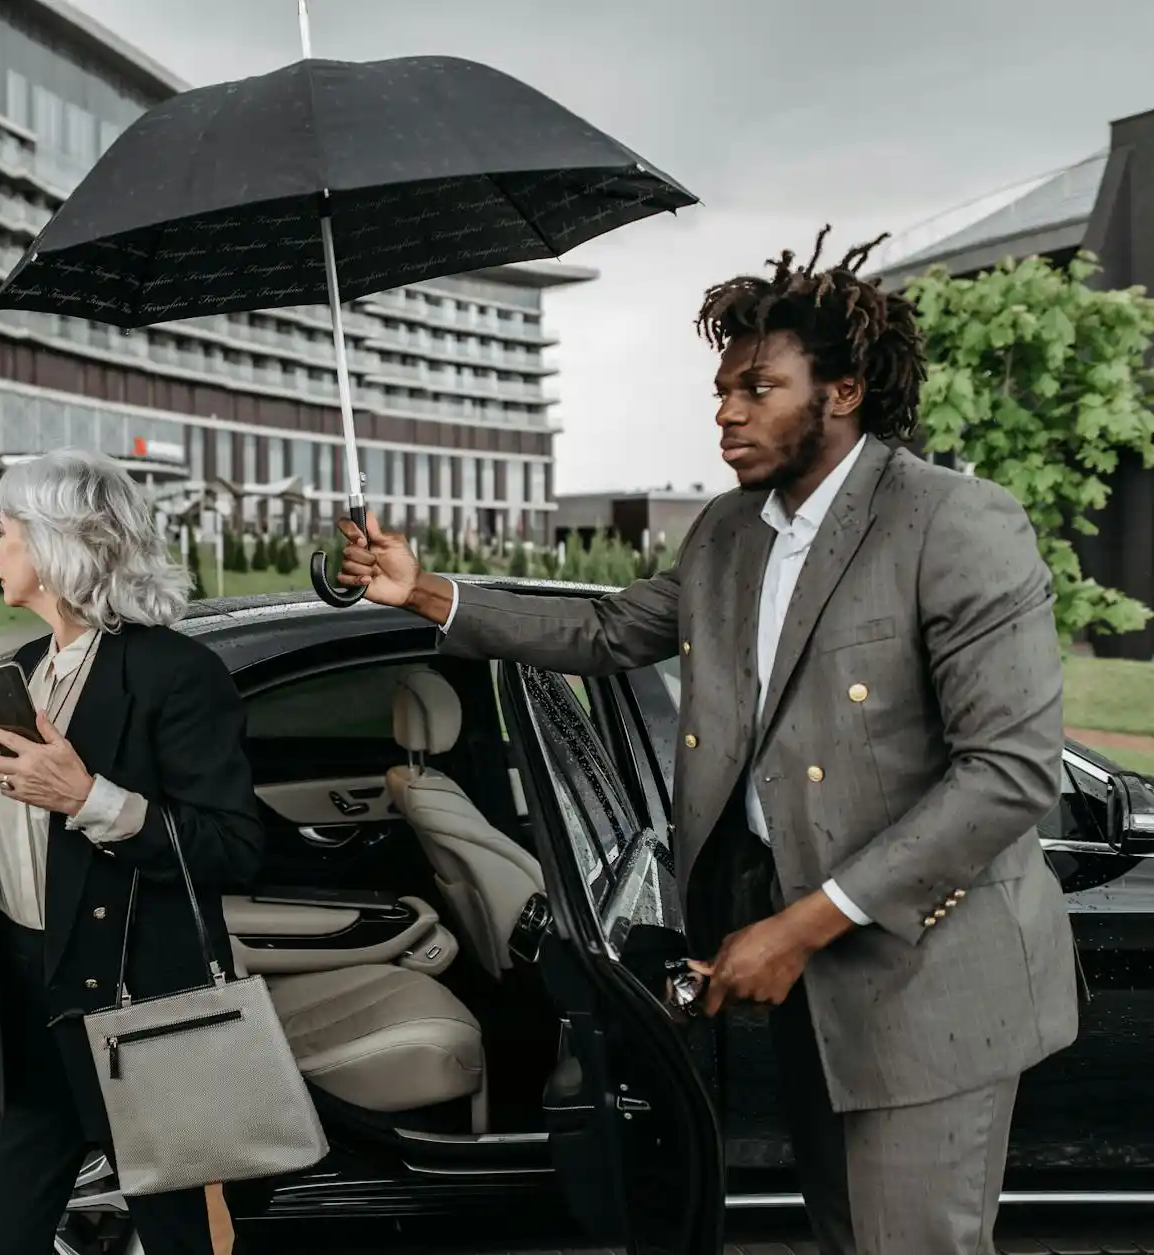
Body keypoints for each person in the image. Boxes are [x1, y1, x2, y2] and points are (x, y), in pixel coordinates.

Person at [335, 230, 1078, 1255]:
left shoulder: (951, 524)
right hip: (804, 966)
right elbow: (601, 633)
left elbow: (1007, 773)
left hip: (924, 973)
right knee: (842, 1232)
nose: (725, 411)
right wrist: (418, 589)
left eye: (757, 387)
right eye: (720, 389)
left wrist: (805, 922)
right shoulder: (727, 533)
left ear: (843, 391)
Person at [0, 449, 263, 1255]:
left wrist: (91, 799)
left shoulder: (176, 675)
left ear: (58, 545)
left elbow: (234, 847)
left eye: (6, 531)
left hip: (137, 1010)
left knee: (179, 1241)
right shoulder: (27, 670)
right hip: (26, 1008)